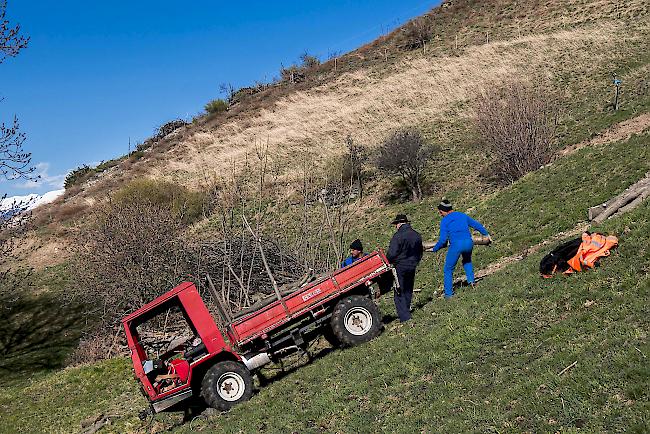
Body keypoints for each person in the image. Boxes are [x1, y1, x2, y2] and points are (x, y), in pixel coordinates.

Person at [429, 200, 491, 299]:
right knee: (467, 261)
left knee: (448, 269)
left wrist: (435, 249)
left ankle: (449, 295)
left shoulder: (445, 221)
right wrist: (486, 234)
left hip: (457, 245)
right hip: (468, 243)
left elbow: (443, 240)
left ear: (444, 211)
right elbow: (476, 224)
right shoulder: (462, 215)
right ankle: (471, 282)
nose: (440, 214)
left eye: (440, 212)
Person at [387, 214, 423, 322]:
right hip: (412, 265)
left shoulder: (398, 236)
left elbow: (392, 254)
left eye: (396, 224)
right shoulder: (417, 235)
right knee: (408, 288)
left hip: (400, 266)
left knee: (399, 291)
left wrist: (389, 261)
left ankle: (405, 317)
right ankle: (407, 309)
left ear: (398, 224)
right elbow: (420, 251)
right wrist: (416, 261)